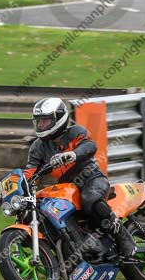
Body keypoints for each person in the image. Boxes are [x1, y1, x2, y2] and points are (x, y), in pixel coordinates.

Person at [24, 98, 135, 259]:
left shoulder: (76, 132)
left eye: (45, 121)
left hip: (92, 179)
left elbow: (90, 146)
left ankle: (123, 237)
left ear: (59, 119)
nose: (41, 126)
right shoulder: (38, 147)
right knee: (48, 211)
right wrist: (14, 186)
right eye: (39, 122)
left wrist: (72, 154)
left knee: (90, 199)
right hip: (66, 189)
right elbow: (30, 170)